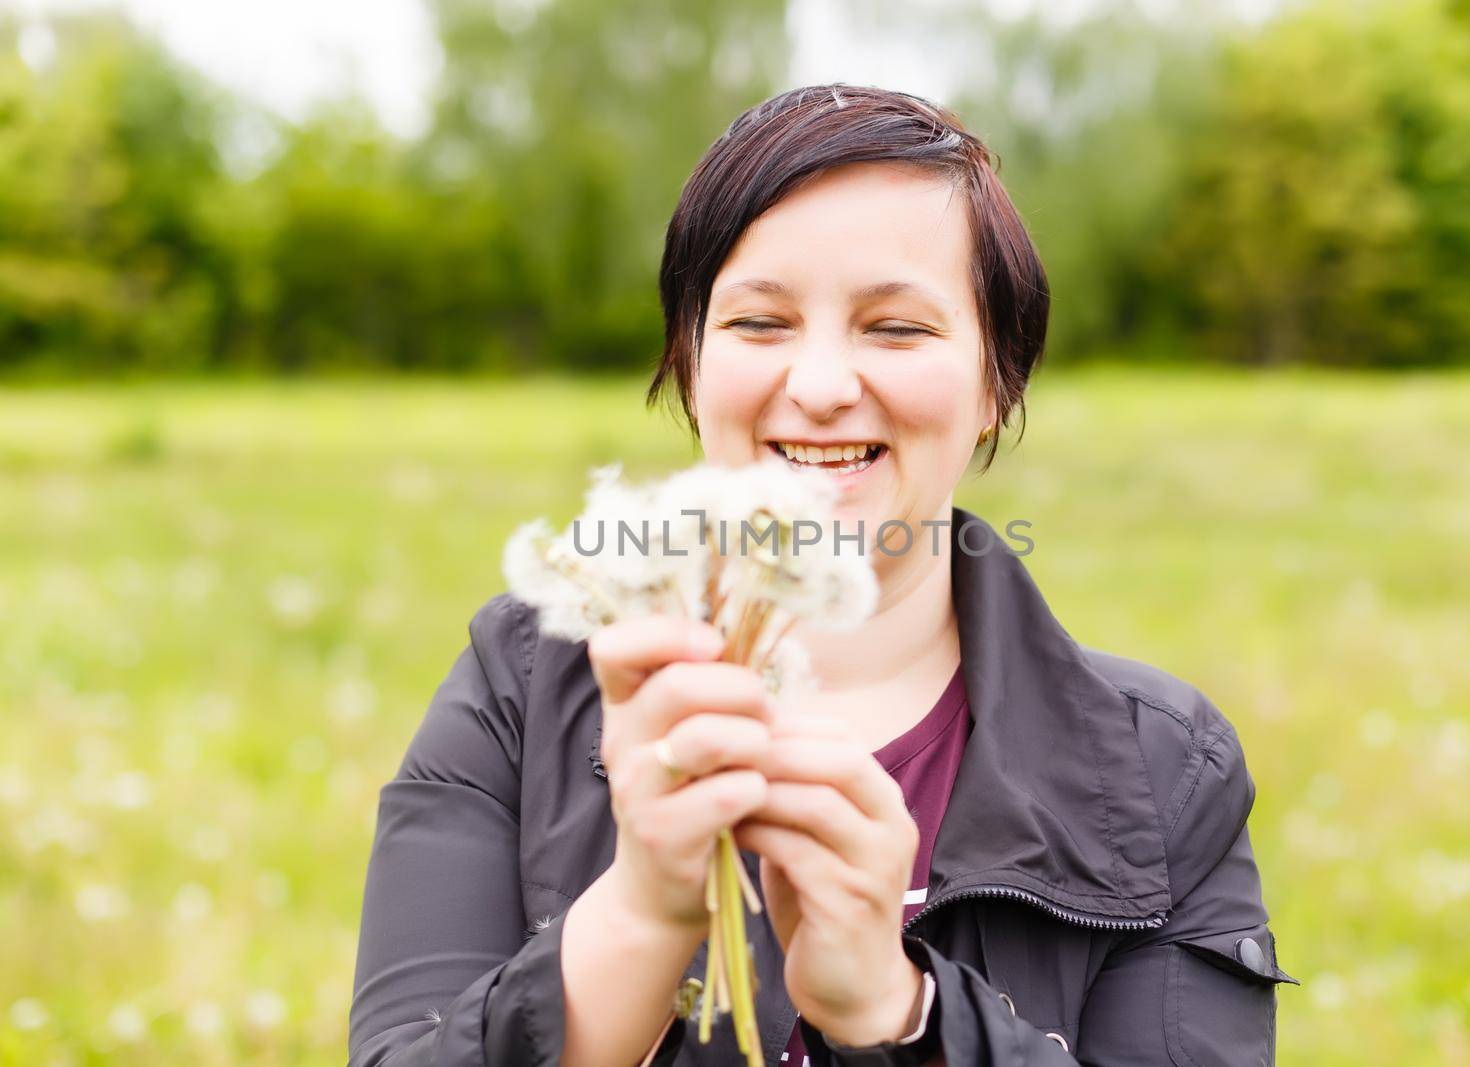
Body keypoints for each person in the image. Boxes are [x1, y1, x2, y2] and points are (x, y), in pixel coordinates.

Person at [347, 83, 1297, 1067]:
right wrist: (643, 911)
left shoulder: (1158, 766)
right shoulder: (523, 683)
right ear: (691, 356)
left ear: (995, 382)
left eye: (896, 328)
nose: (821, 385)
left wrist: (896, 1010)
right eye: (760, 323)